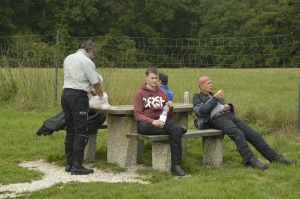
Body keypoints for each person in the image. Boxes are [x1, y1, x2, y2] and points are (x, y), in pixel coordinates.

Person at [192, 76, 296, 170]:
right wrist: (215, 98)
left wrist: (229, 106)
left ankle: (275, 158)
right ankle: (249, 159)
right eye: (208, 83)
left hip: (229, 116)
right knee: (238, 133)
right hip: (217, 120)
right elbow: (202, 111)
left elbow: (224, 105)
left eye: (211, 83)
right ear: (201, 86)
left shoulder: (215, 96)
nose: (211, 85)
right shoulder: (198, 97)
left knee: (254, 135)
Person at [61, 40, 107, 175]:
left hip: (66, 95)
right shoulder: (87, 62)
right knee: (81, 130)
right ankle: (77, 165)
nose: (93, 57)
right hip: (78, 98)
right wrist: (101, 97)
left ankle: (69, 163)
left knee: (70, 129)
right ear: (91, 51)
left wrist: (91, 93)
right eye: (94, 55)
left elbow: (79, 80)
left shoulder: (69, 58)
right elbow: (96, 84)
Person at [133, 67, 187, 176]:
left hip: (162, 119)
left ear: (159, 79)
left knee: (175, 128)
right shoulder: (140, 93)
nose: (154, 80)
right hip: (147, 122)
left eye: (156, 78)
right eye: (152, 78)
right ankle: (177, 131)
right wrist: (151, 121)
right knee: (142, 128)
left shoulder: (162, 93)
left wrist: (171, 108)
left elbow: (169, 115)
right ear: (146, 78)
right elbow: (137, 114)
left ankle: (176, 165)